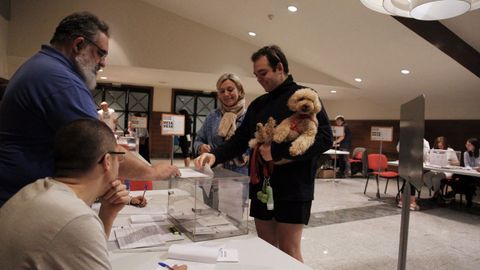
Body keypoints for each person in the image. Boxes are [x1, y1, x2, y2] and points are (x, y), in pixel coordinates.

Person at [0, 12, 179, 206]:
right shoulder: (61, 80)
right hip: (23, 199)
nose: (103, 63)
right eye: (100, 53)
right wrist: (152, 172)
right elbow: (101, 148)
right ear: (78, 45)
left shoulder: (42, 67)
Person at [195, 45, 332, 262]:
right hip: (262, 185)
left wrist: (277, 152)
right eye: (256, 75)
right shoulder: (259, 104)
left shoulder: (305, 96)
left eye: (263, 73)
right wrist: (215, 156)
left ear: (279, 67)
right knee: (265, 247)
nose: (259, 79)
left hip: (294, 186)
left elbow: (325, 138)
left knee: (289, 251)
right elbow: (240, 140)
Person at [0, 119, 186, 270]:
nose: (119, 163)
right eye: (118, 157)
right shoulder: (74, 218)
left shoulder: (34, 190)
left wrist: (107, 213)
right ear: (107, 161)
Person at [194, 73, 249, 175]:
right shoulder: (213, 116)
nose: (226, 94)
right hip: (214, 173)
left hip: (241, 175)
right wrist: (201, 147)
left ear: (240, 91)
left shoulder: (249, 116)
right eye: (222, 91)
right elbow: (198, 140)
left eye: (230, 89)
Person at [396, 138, 430, 210]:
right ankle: (412, 203)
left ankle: (402, 202)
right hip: (416, 163)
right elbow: (425, 154)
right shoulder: (423, 141)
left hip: (405, 162)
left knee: (405, 181)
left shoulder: (404, 137)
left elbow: (399, 149)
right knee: (412, 182)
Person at [423, 136, 459, 201]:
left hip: (446, 170)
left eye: (442, 145)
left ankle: (436, 195)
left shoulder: (450, 150)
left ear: (445, 144)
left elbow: (457, 163)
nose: (440, 147)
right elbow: (428, 160)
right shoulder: (433, 150)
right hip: (435, 169)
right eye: (438, 145)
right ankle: (438, 192)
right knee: (426, 176)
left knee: (436, 178)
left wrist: (450, 162)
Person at [450, 138, 479, 208]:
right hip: (470, 174)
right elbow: (467, 165)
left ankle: (454, 192)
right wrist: (473, 168)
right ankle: (467, 197)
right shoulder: (466, 153)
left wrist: (474, 168)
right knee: (456, 176)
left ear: (474, 146)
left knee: (467, 180)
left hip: (477, 175)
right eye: (466, 144)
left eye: (469, 145)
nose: (467, 146)